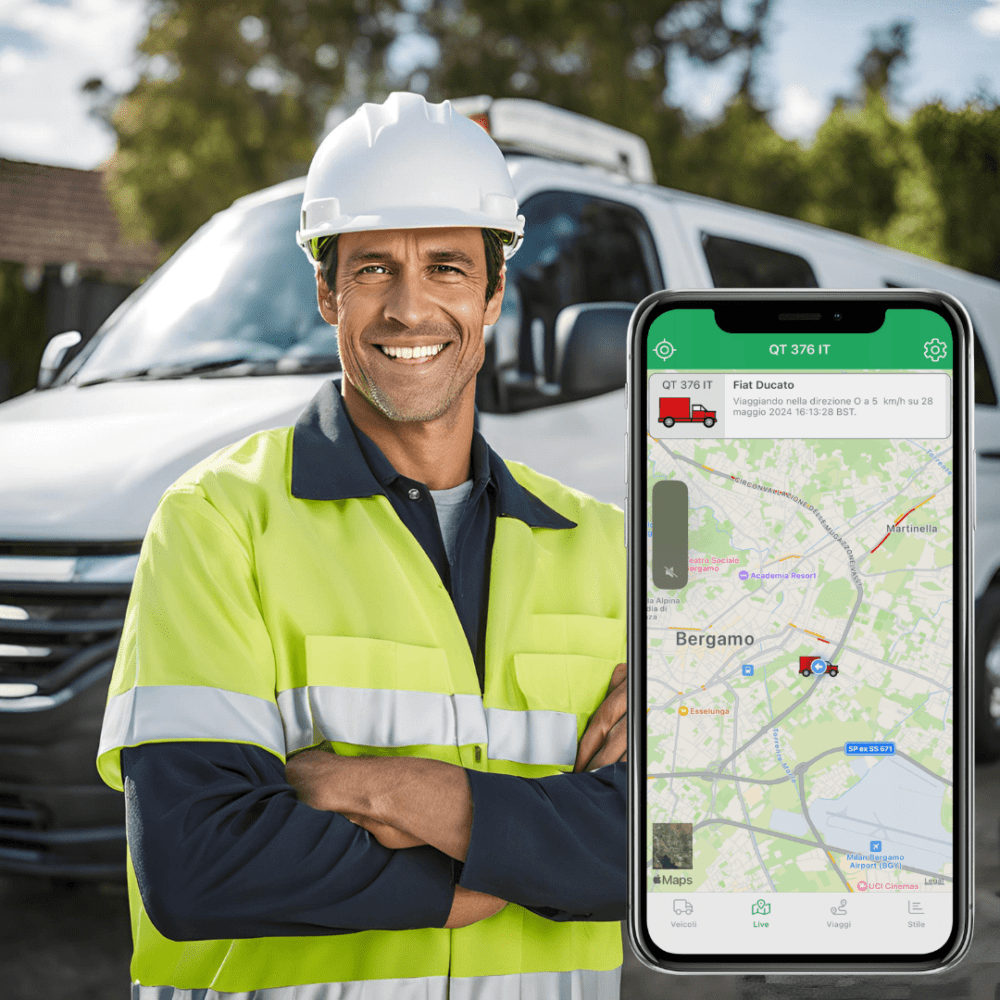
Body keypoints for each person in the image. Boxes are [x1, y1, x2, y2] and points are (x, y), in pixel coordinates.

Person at [97, 91, 628, 1000]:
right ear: (325, 289)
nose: (410, 308)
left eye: (450, 269)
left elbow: (684, 845)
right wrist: (536, 852)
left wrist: (400, 793)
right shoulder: (219, 522)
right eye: (375, 268)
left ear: (495, 293)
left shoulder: (609, 547)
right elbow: (201, 862)